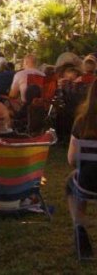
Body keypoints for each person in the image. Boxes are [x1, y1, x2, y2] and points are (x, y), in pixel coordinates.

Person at [68, 81, 97, 258]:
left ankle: (80, 229)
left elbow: (72, 159)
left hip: (88, 183)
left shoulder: (82, 122)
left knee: (71, 183)